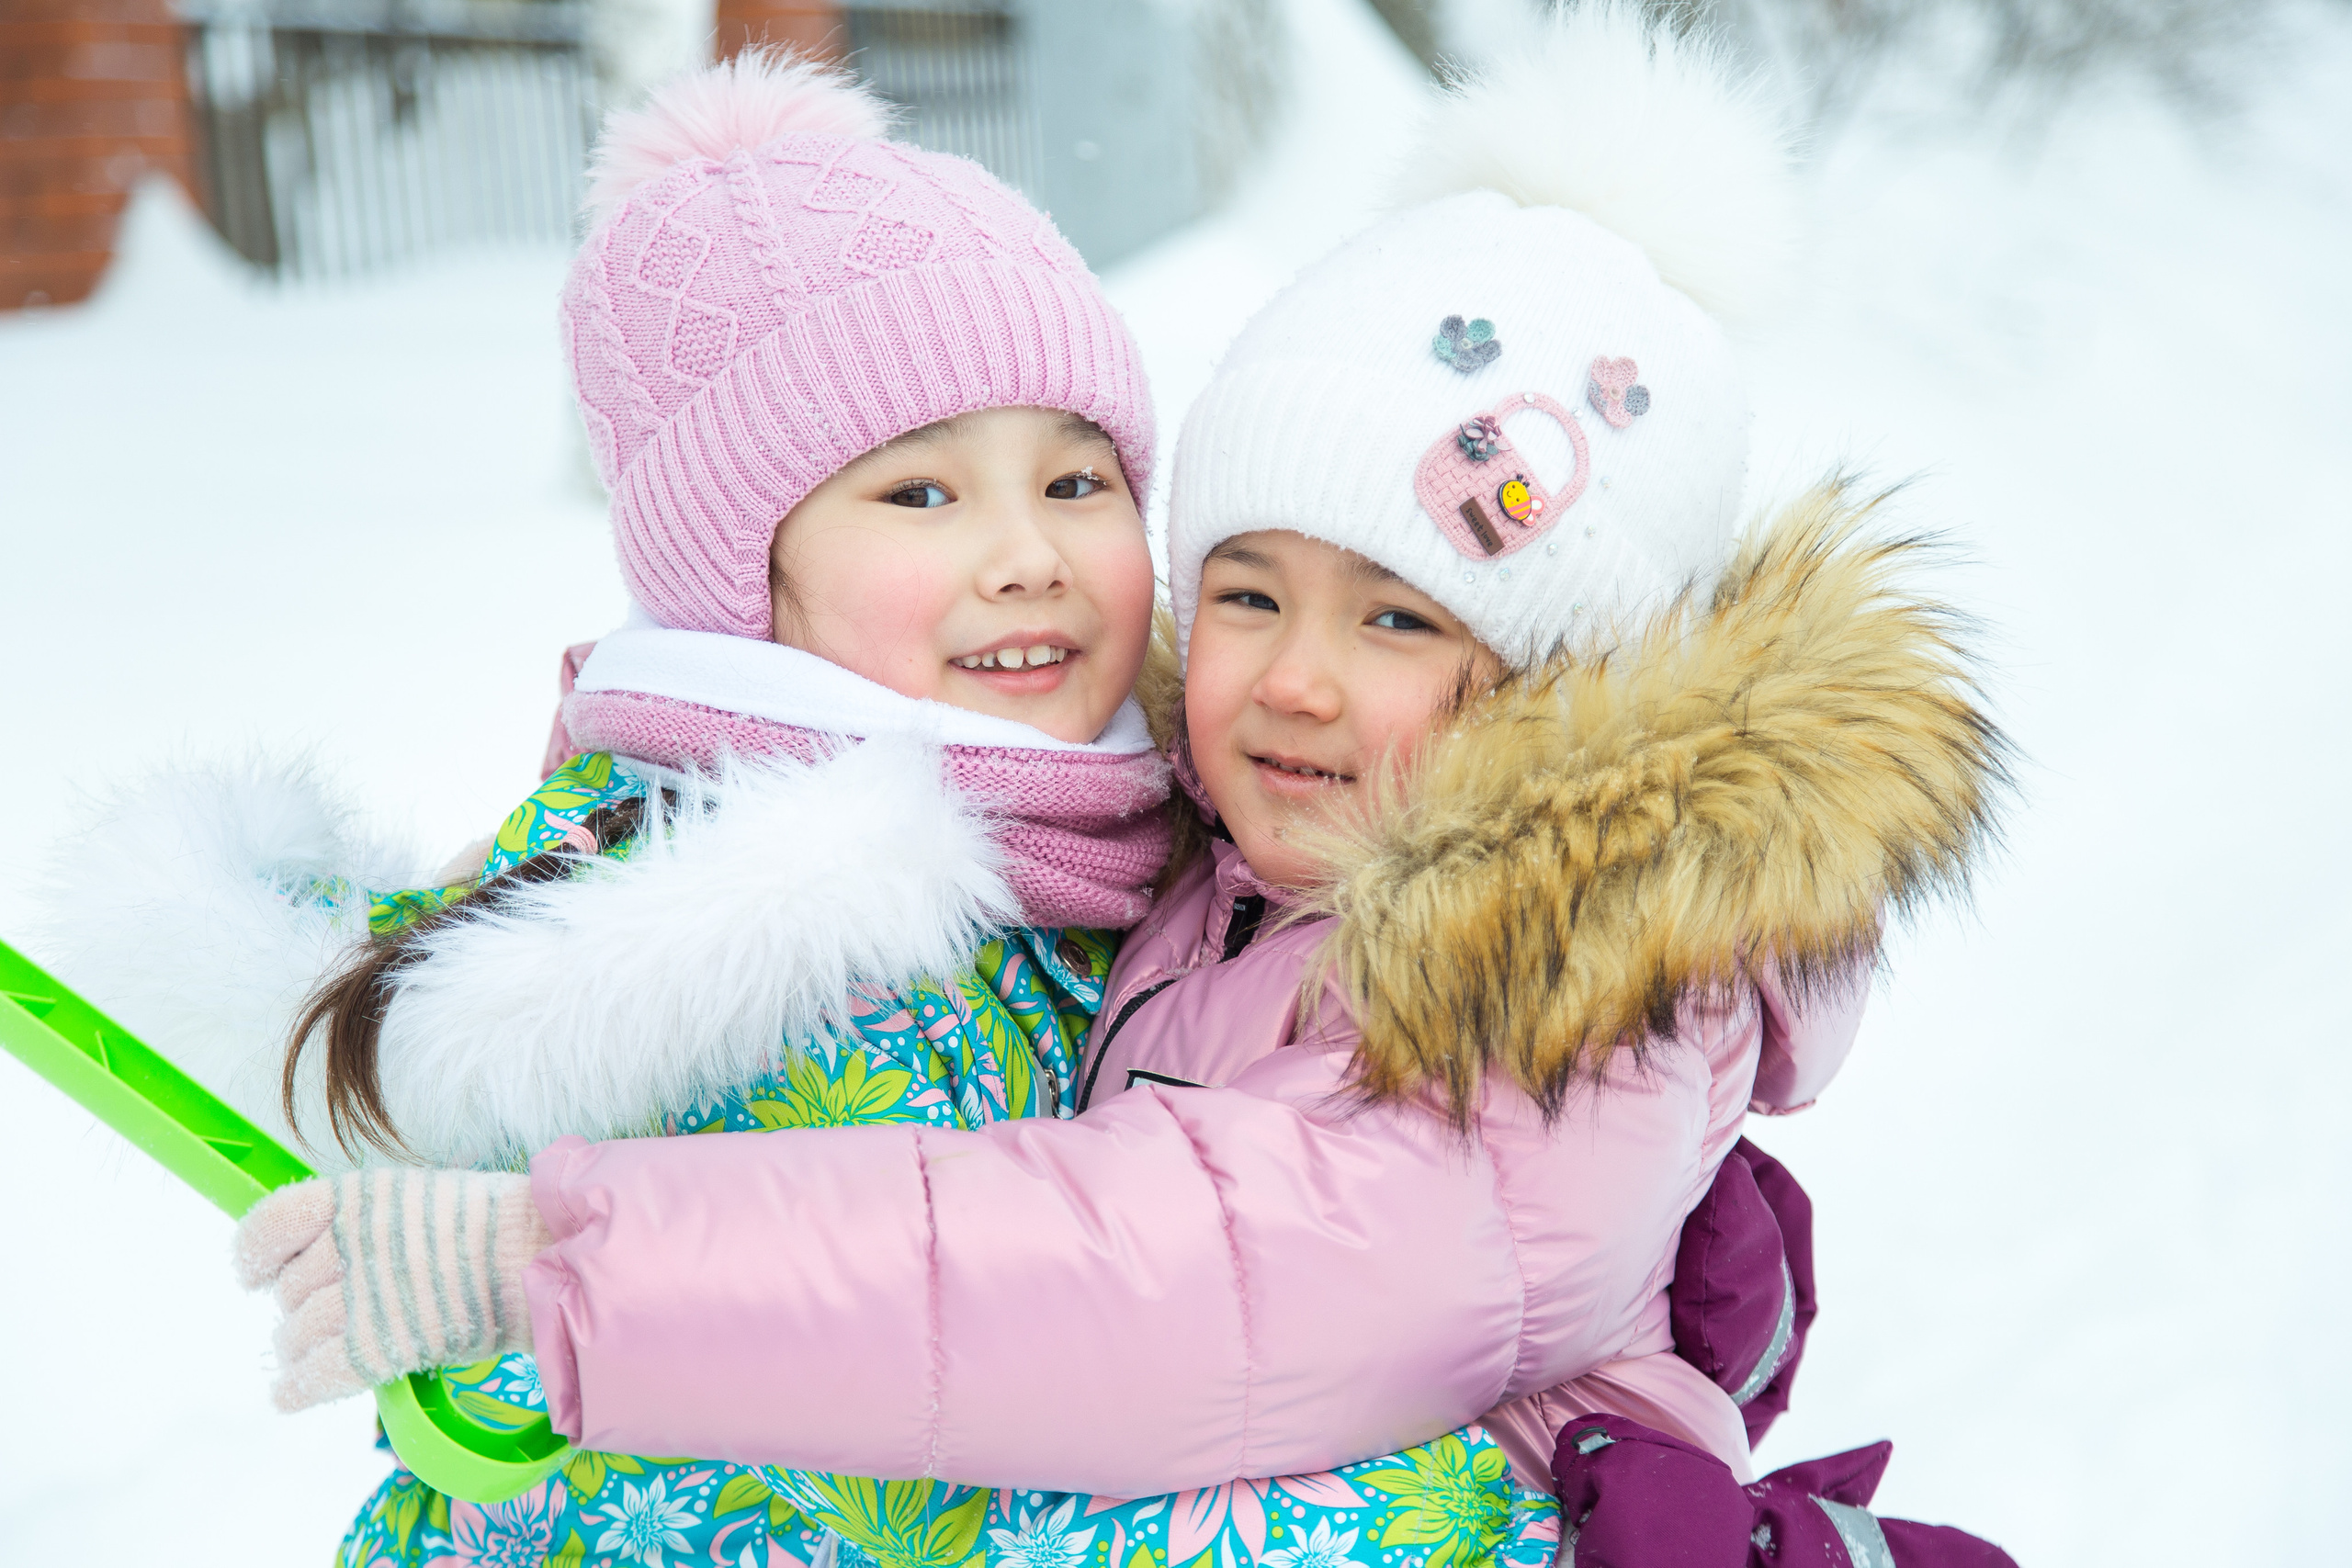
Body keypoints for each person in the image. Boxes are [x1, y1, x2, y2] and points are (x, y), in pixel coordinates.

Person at [233, 11, 2020, 1567]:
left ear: (1576, 685)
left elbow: (1155, 1271)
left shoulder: (1566, 998)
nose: (1293, 675)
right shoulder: (1198, 849)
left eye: (1400, 615)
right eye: (1244, 590)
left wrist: (563, 1262)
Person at [46, 43, 1566, 1568]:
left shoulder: (1161, 831)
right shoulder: (683, 912)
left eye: (1078, 479)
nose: (1026, 553)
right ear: (744, 576)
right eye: (920, 495)